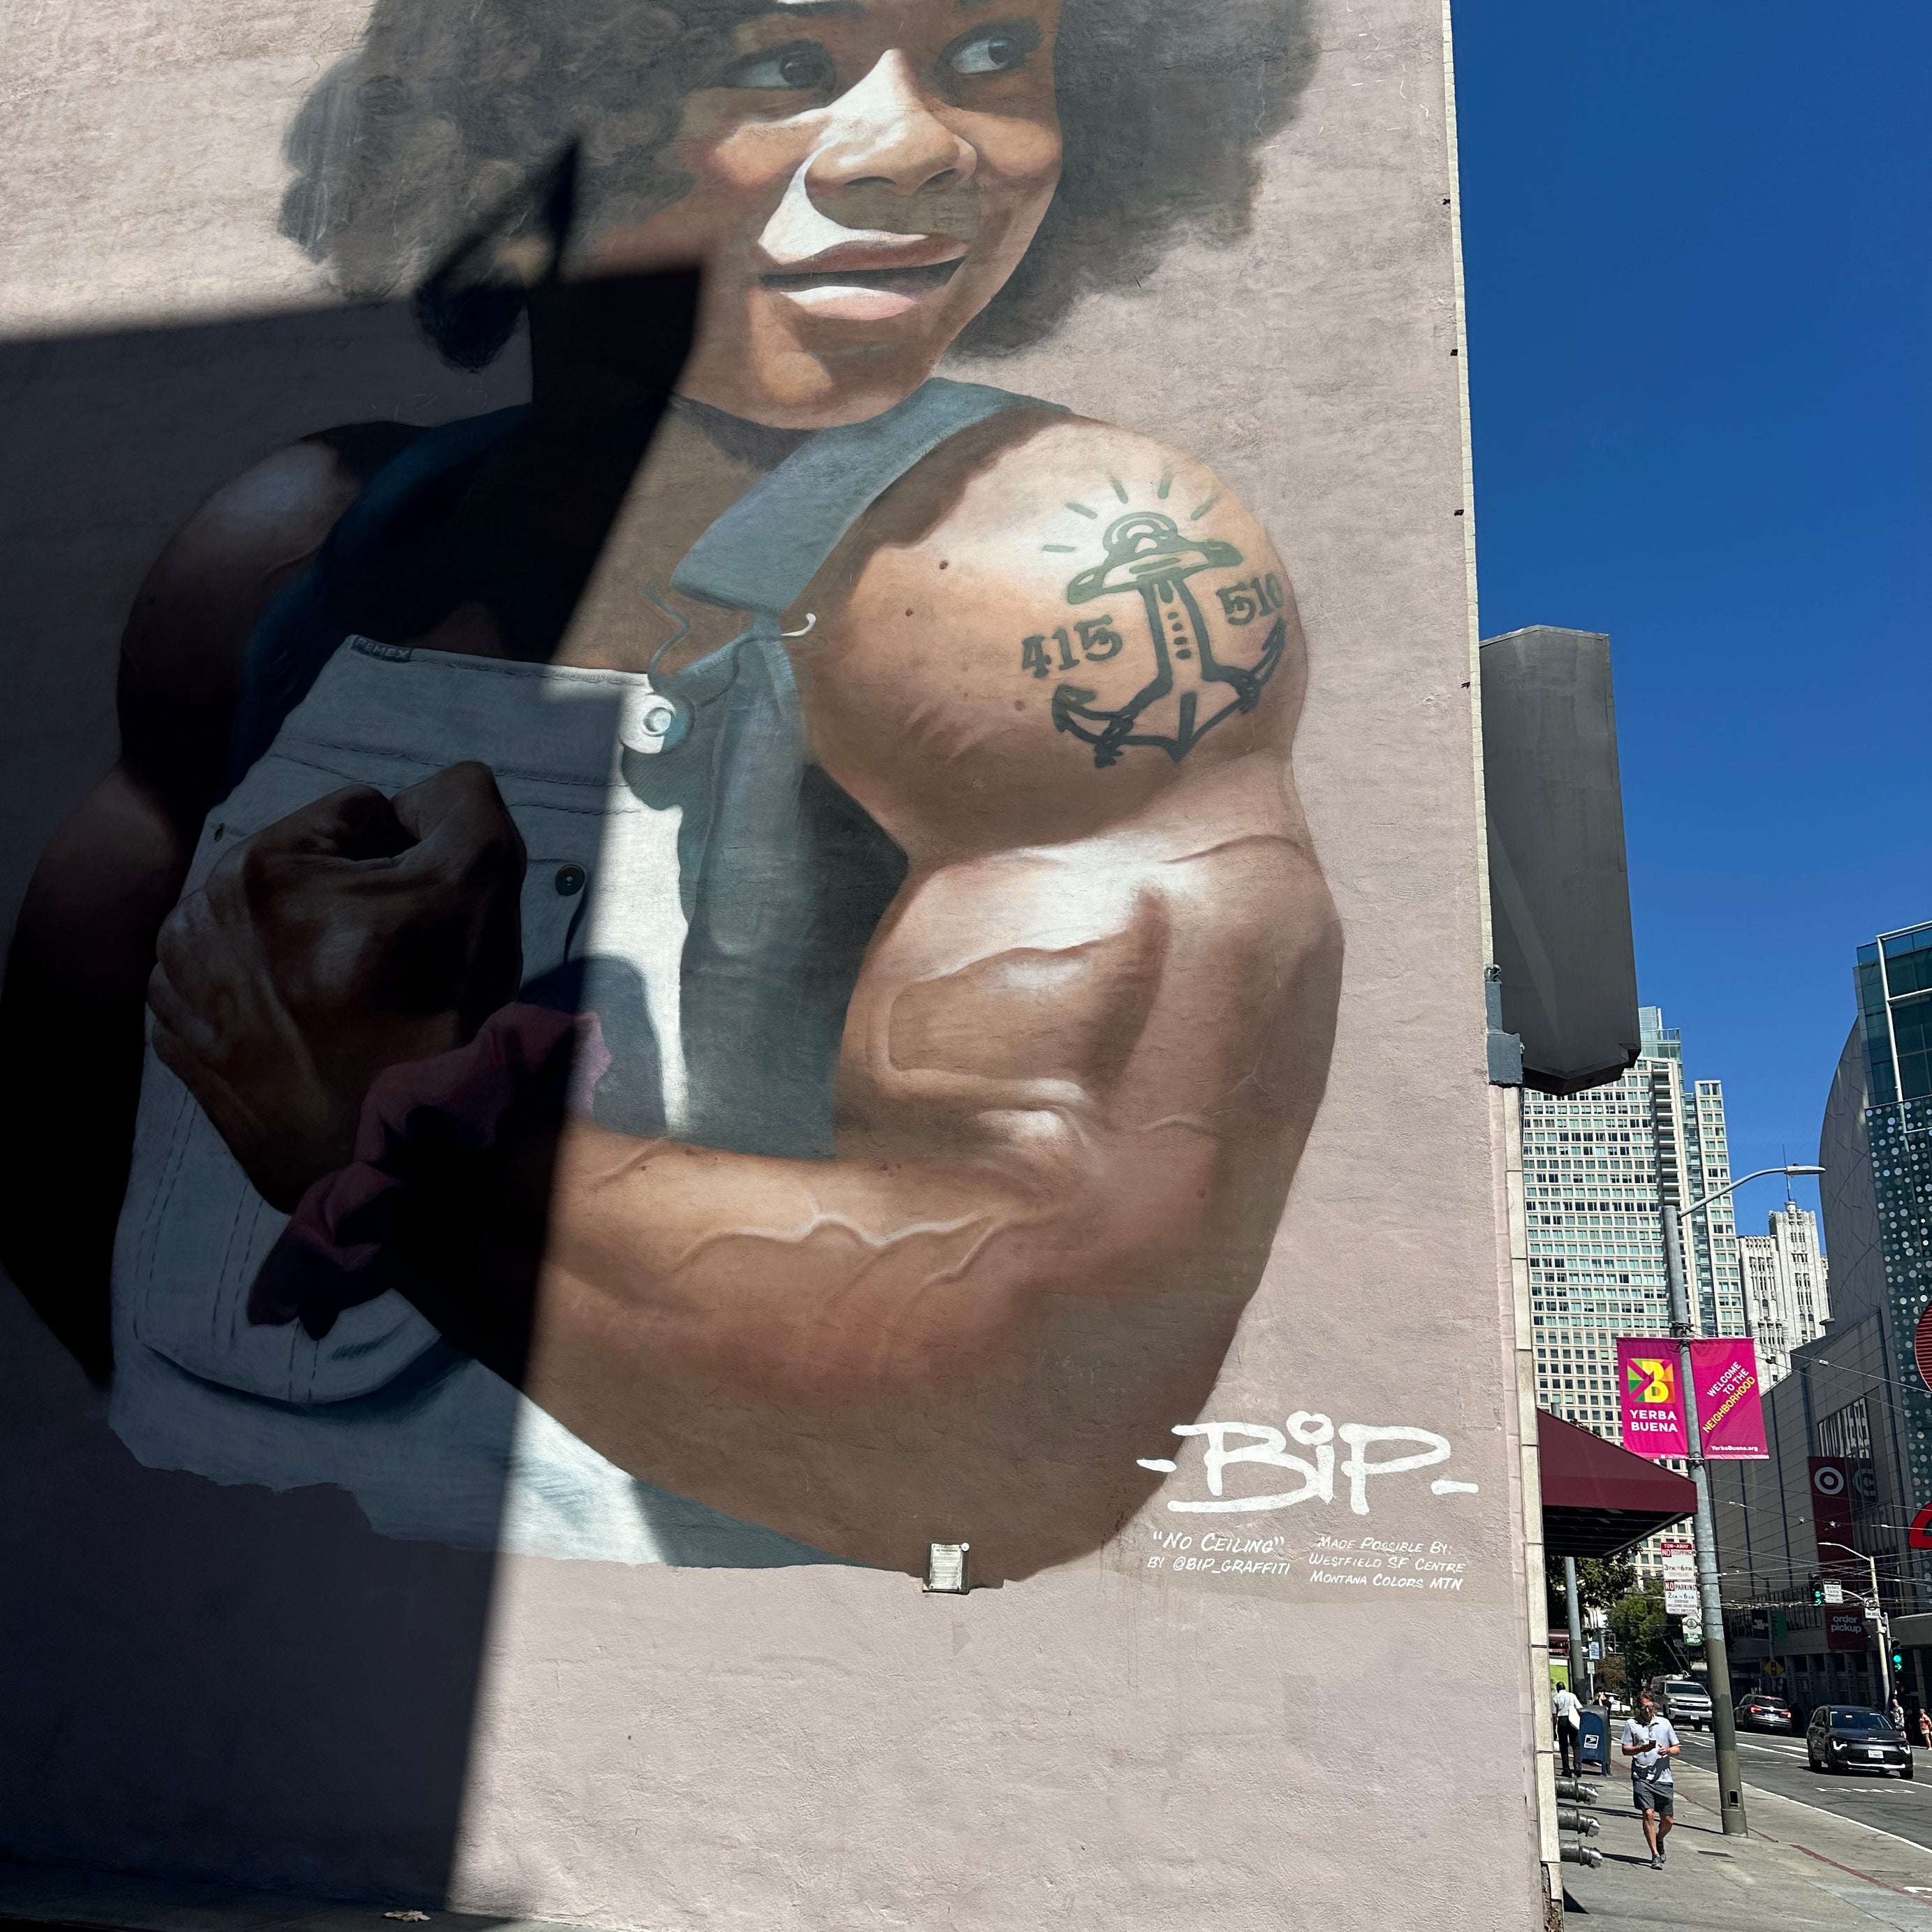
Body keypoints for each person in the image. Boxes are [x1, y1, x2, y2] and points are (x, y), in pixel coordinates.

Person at [0, 0, 1342, 1578]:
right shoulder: (290, 547)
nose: (919, 154)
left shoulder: (1059, 577)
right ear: (548, 101)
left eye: (992, 60)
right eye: (785, 66)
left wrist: (386, 1155)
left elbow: (1046, 1394)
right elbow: (55, 1123)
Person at [1622, 1690, 1681, 1870]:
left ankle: (1660, 1838)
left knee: (1668, 1820)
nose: (1646, 1710)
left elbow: (1677, 1748)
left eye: (1648, 1707)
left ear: (1654, 1706)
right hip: (1641, 1776)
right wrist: (1641, 1749)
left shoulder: (1664, 1724)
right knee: (1648, 1813)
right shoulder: (1632, 1724)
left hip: (1663, 1778)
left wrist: (1668, 1751)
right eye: (1642, 1707)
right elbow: (1625, 1749)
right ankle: (1655, 1854)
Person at [1552, 1680, 1583, 1776]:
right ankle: (1577, 1766)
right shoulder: (1572, 1696)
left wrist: (1554, 1729)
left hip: (1562, 1720)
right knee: (1576, 1744)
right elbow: (1579, 1709)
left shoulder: (1555, 1698)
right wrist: (1577, 1718)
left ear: (1558, 1689)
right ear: (1564, 1687)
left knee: (1563, 1746)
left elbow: (1554, 1715)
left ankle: (1566, 1770)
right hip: (1572, 1719)